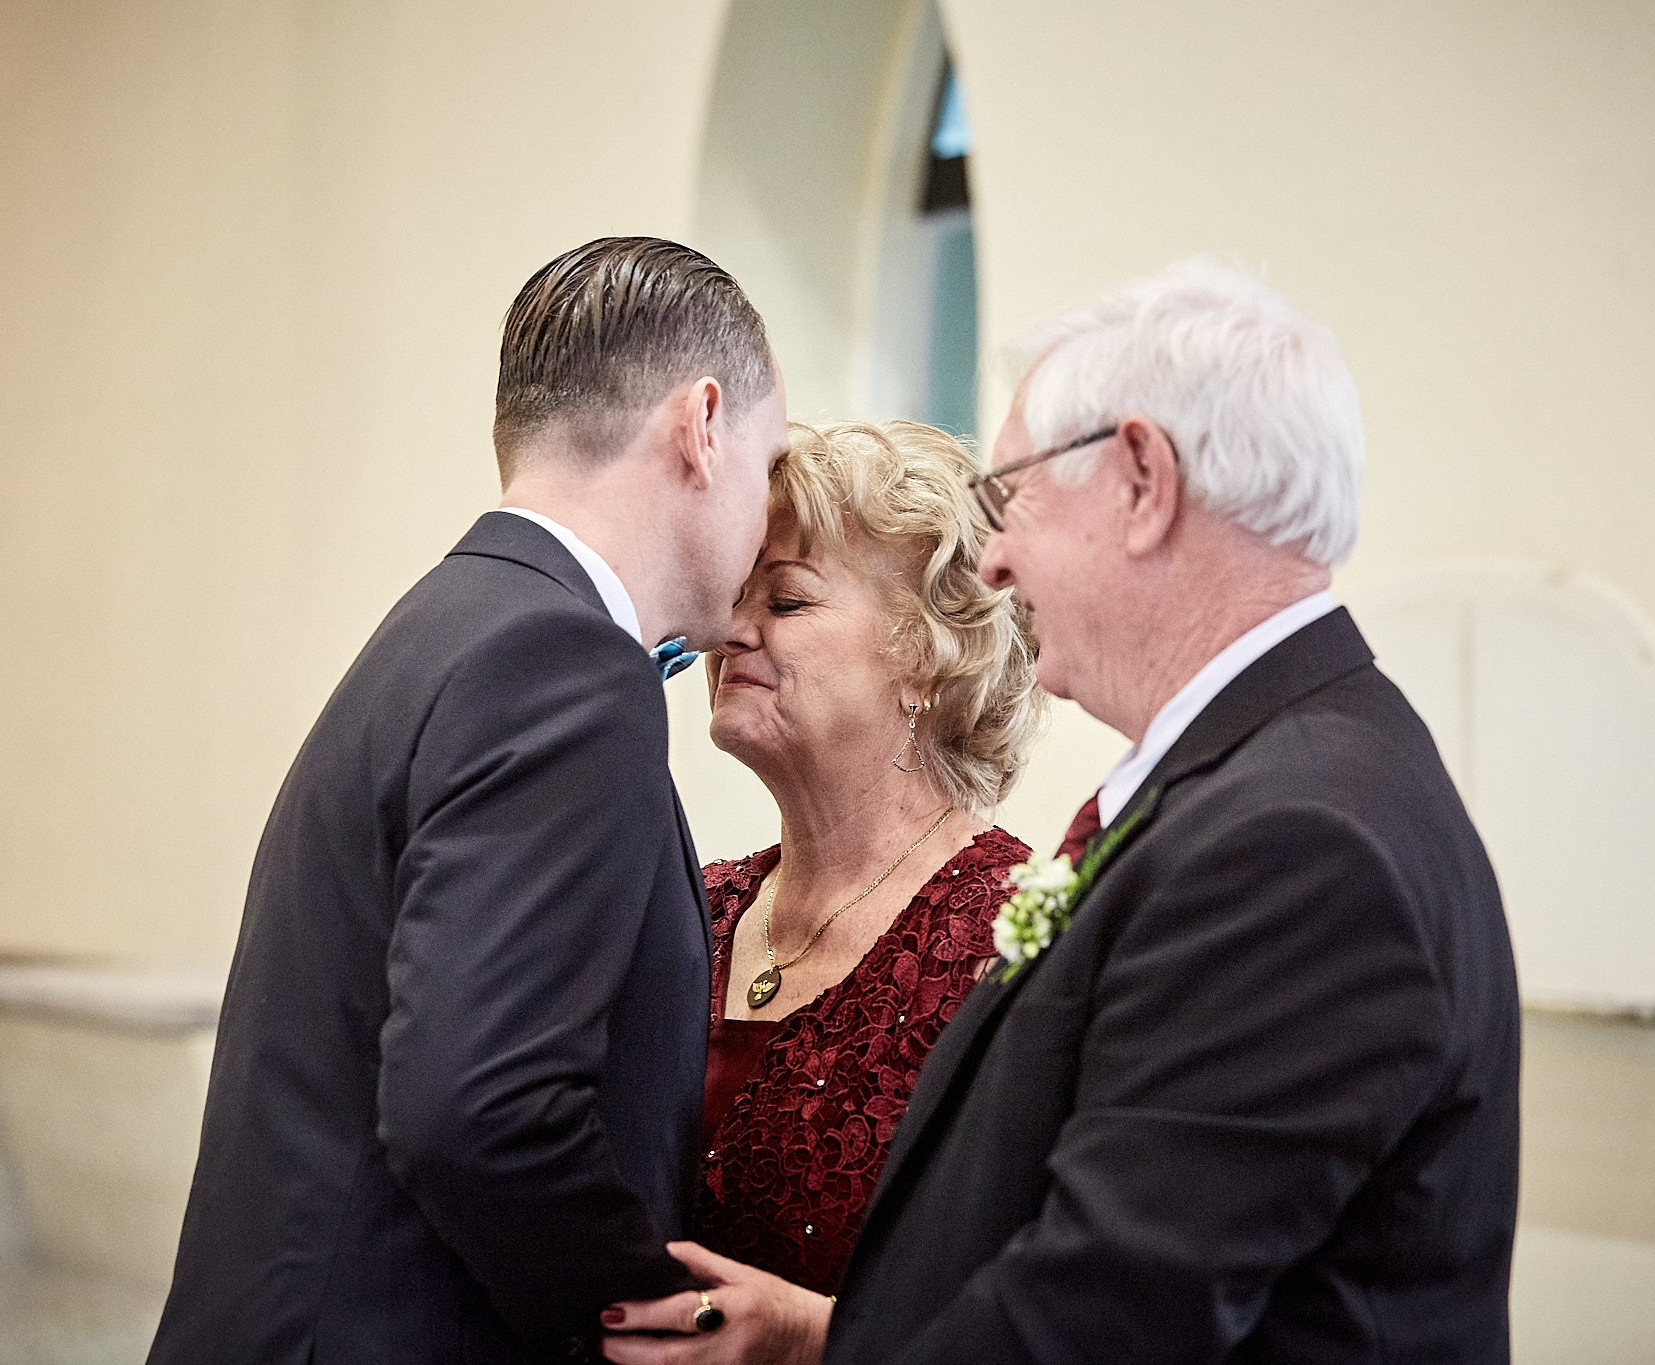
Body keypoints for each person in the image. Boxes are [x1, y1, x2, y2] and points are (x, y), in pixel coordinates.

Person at [819, 260, 1522, 1362]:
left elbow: (1105, 1307)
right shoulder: (1272, 772)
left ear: (1141, 478)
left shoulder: (1295, 844)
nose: (994, 560)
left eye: (1008, 500)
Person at [146, 237, 789, 1365]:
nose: (763, 511)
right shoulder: (564, 663)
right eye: (767, 460)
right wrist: (656, 1325)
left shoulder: (449, 623)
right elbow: (475, 1107)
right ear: (700, 424)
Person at [599, 420, 1044, 1365]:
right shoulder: (698, 902)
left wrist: (811, 1338)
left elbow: (1060, 1305)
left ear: (930, 653)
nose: (729, 630)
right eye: (733, 597)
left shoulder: (1015, 932)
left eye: (789, 599)